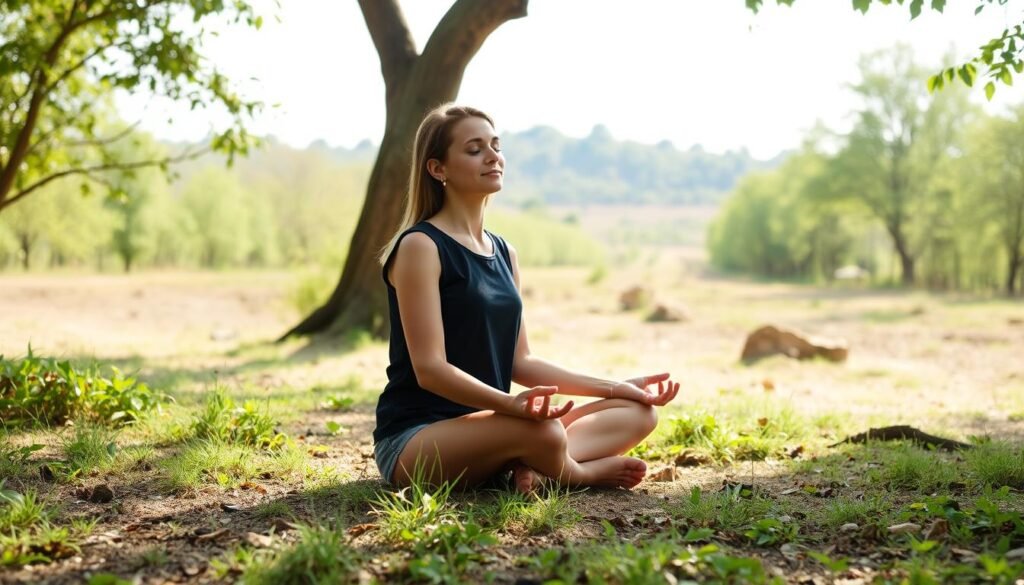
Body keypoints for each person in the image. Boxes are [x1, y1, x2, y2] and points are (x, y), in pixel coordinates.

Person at [373, 103, 679, 493]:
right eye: (474, 149)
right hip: (418, 439)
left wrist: (616, 387)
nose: (493, 156)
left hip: (497, 424)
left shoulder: (505, 253)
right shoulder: (421, 246)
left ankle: (534, 468)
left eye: (495, 145)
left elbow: (522, 362)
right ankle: (574, 473)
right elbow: (430, 369)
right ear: (438, 169)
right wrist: (512, 407)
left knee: (639, 413)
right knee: (546, 432)